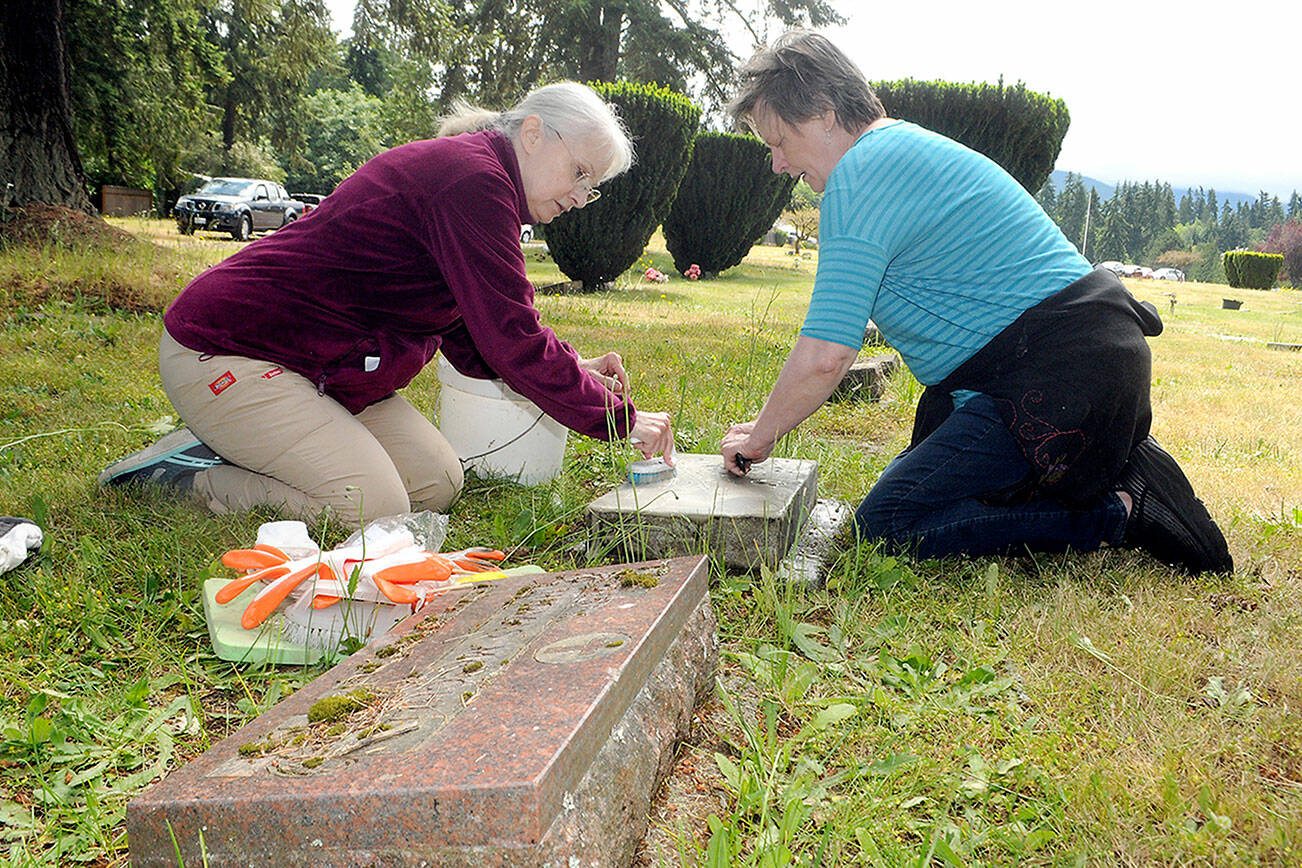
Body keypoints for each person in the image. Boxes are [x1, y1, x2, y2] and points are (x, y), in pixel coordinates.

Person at [719, 31, 1231, 575]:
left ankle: (1121, 510)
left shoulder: (860, 175)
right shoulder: (895, 149)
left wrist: (760, 436)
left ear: (823, 113)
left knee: (887, 523)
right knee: (928, 491)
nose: (776, 165)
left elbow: (827, 354)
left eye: (778, 141)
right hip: (1077, 363)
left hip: (1054, 375)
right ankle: (1103, 462)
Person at [99, 81, 675, 528]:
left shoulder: (482, 180)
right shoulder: (473, 182)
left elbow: (477, 338)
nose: (579, 198)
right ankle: (185, 473)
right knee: (369, 509)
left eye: (591, 186)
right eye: (579, 173)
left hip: (325, 369)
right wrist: (618, 419)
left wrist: (575, 372)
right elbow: (510, 339)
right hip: (232, 350)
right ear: (532, 133)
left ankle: (248, 442)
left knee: (436, 486)